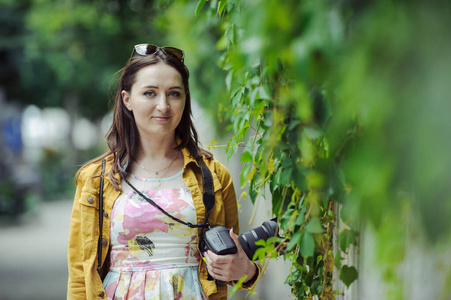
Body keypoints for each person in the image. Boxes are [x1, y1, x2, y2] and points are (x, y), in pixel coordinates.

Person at [67, 44, 261, 300]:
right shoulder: (95, 179)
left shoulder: (214, 176)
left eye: (174, 93)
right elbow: (81, 277)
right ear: (127, 100)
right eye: (149, 93)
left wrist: (247, 270)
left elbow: (235, 266)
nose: (163, 105)